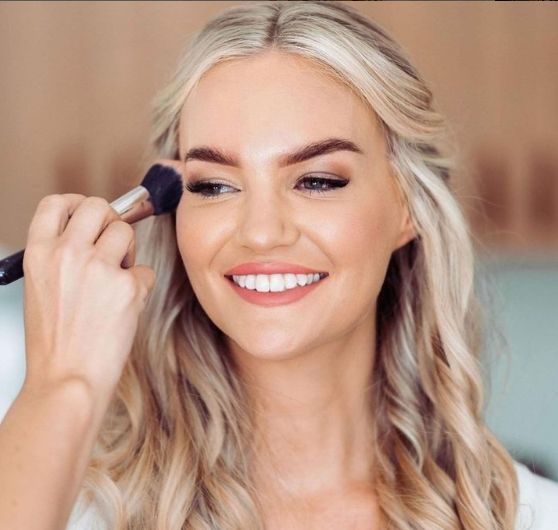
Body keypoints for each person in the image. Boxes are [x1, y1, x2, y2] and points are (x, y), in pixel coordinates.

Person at [1, 1, 557, 529]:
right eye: (215, 185)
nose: (261, 231)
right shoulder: (69, 504)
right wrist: (61, 386)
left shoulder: (527, 516)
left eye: (317, 180)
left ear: (407, 208)